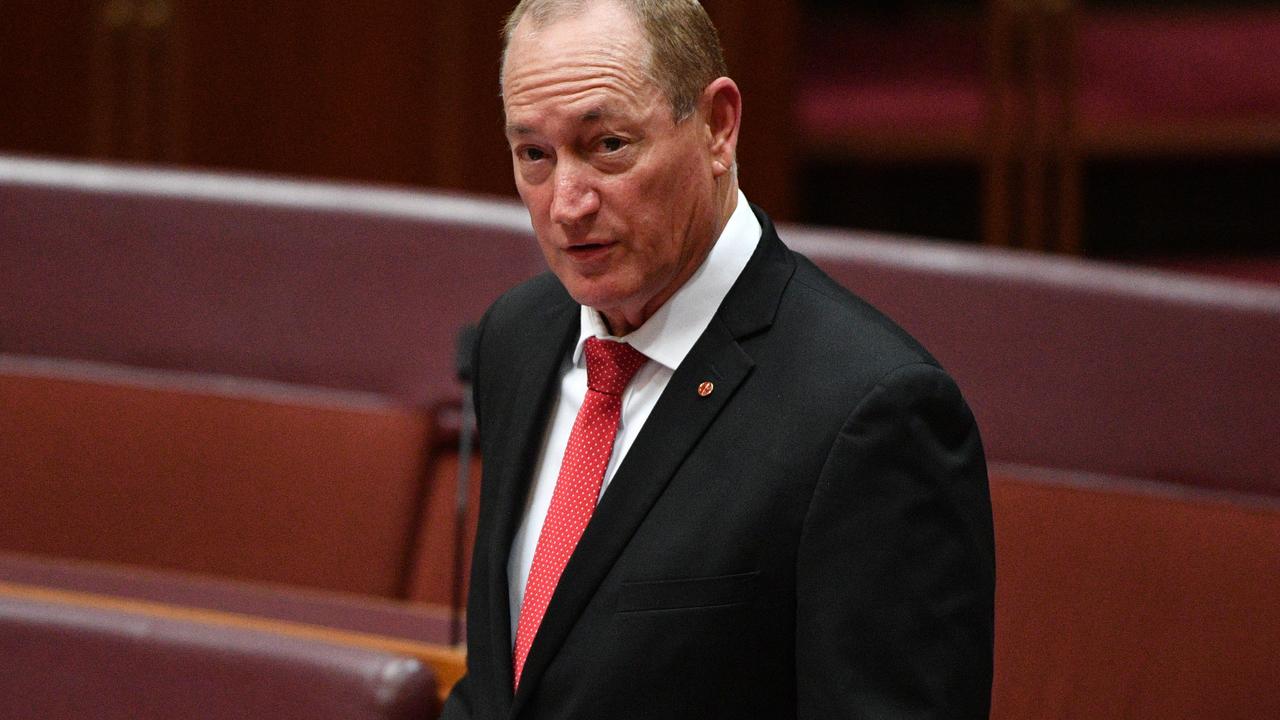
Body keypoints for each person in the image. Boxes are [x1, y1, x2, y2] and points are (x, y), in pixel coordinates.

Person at [441, 0, 995, 717]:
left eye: (608, 145)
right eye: (535, 156)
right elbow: (499, 692)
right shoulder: (517, 338)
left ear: (717, 127)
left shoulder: (872, 414)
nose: (567, 203)